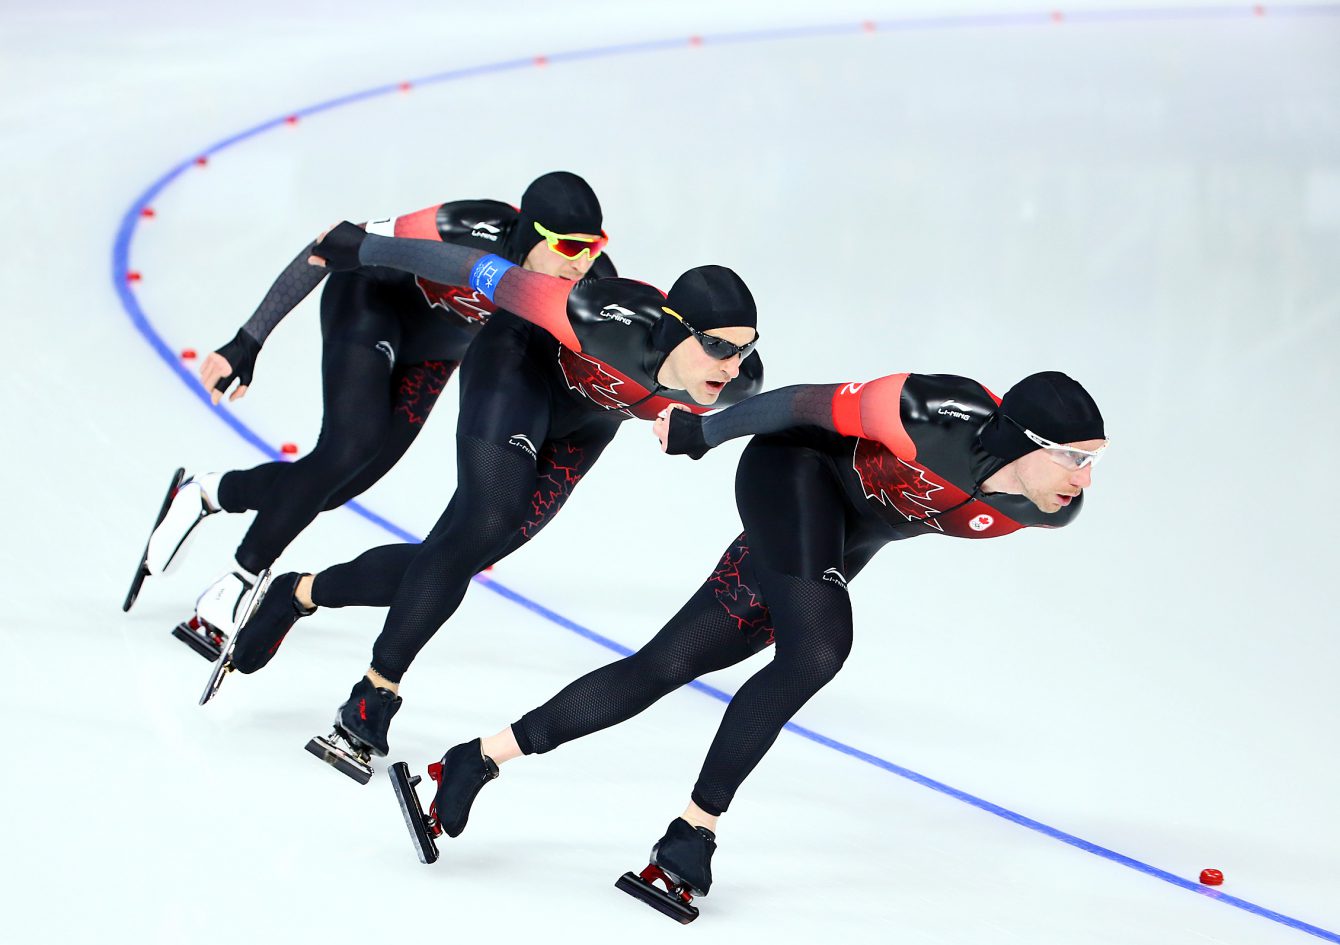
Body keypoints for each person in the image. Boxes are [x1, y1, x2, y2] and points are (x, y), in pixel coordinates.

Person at [389, 370, 1107, 921]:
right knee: (820, 646)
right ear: (1019, 439)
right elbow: (802, 404)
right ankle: (692, 832)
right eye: (1075, 457)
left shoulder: (1048, 511)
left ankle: (475, 758)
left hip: (839, 538)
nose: (1083, 480)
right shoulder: (926, 408)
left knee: (666, 664)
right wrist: (705, 431)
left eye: (1094, 461)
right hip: (791, 473)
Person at [228, 220, 765, 783]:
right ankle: (373, 695)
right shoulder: (592, 312)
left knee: (457, 555)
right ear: (676, 330)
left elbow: (773, 414)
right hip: (515, 369)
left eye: (744, 349)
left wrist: (707, 433)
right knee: (487, 520)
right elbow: (476, 271)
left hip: (583, 426)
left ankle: (299, 592)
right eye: (717, 347)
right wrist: (364, 247)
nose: (731, 365)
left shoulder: (738, 381)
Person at [123, 172, 615, 662]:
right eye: (571, 248)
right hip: (369, 305)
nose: (584, 262)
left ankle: (209, 492)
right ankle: (238, 582)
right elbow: (337, 242)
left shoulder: (589, 283)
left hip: (435, 354)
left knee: (341, 484)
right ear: (531, 233)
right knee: (349, 447)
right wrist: (249, 339)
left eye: (594, 247)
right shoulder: (465, 225)